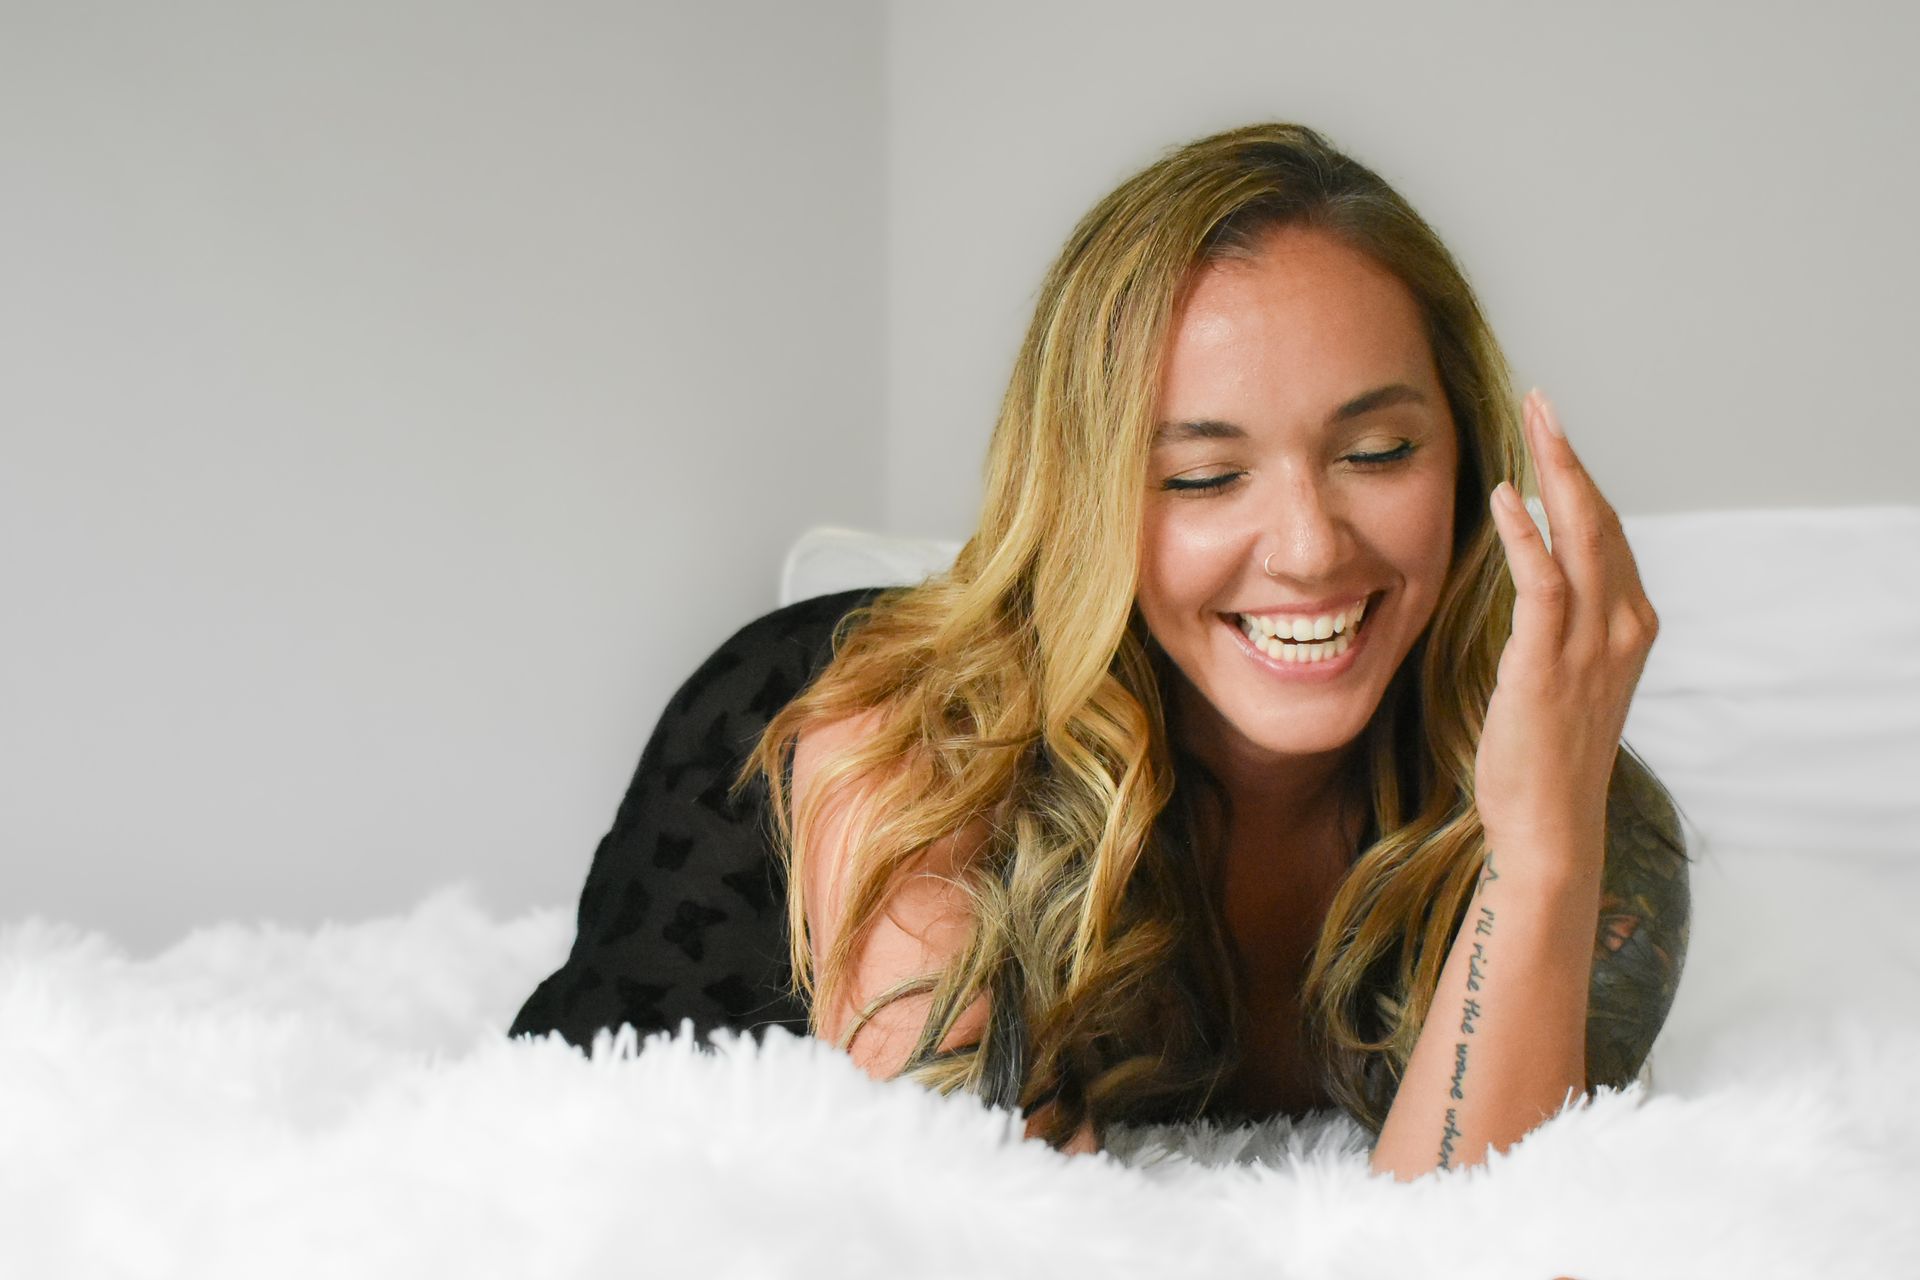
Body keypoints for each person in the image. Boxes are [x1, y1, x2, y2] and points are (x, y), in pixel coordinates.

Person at [513, 121, 1691, 1180]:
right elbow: (997, 1234)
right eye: (1202, 475)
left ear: (1468, 454)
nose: (1307, 547)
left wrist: (1540, 857)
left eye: (1378, 451)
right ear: (1084, 501)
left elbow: (1490, 1245)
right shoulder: (905, 750)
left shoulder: (1596, 836)